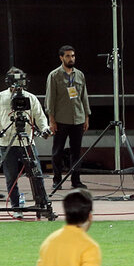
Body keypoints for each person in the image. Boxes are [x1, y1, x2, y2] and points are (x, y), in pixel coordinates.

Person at [0, 68, 50, 219]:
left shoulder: (31, 98)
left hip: (27, 141)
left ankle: (43, 204)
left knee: (36, 174)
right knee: (11, 177)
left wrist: (45, 129)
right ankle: (16, 207)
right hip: (7, 142)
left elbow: (40, 118)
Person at [45, 45, 90, 191]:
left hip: (78, 118)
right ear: (61, 58)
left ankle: (76, 180)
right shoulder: (54, 75)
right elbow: (50, 99)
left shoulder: (79, 75)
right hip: (61, 120)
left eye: (73, 56)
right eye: (68, 56)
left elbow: (84, 97)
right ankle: (57, 180)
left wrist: (86, 117)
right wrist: (51, 120)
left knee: (76, 151)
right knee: (57, 151)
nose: (71, 59)